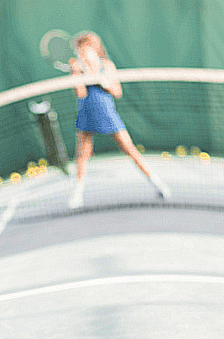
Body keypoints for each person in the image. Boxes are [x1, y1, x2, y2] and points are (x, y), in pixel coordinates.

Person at [67, 31, 171, 209]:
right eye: (80, 51)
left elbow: (117, 92)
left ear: (94, 49)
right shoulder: (77, 68)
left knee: (130, 149)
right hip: (86, 113)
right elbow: (81, 93)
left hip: (106, 113)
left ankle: (158, 183)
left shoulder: (107, 66)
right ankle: (77, 194)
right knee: (82, 156)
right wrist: (78, 75)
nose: (82, 54)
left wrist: (103, 82)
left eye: (85, 49)